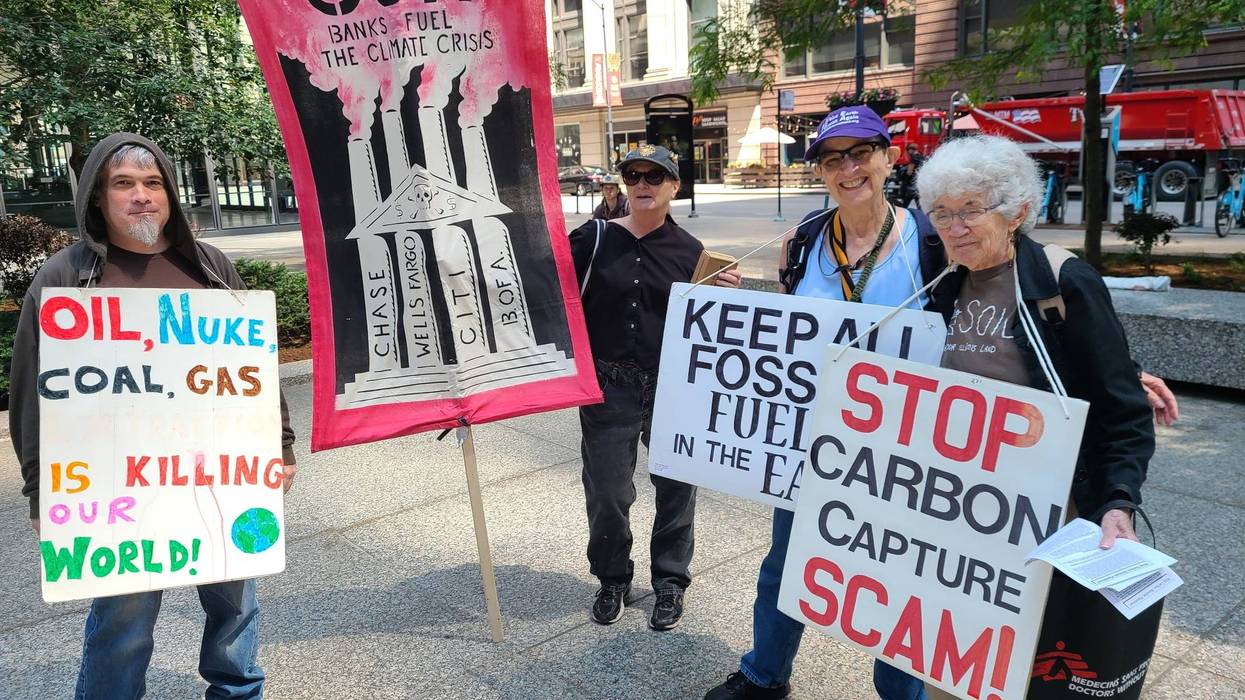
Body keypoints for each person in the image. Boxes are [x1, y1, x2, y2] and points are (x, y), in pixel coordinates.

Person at [702, 109, 1178, 700]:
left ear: (888, 158)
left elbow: (1071, 363)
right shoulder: (845, 249)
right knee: (809, 565)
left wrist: (1123, 418)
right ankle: (767, 672)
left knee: (943, 607)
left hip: (976, 482)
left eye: (970, 211)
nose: (955, 225)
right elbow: (799, 332)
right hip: (861, 453)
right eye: (833, 157)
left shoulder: (957, 256)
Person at [8, 133, 298, 699]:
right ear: (97, 198)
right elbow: (32, 390)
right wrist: (42, 489)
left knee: (236, 609)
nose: (141, 196)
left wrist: (280, 445)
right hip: (119, 489)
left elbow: (254, 366)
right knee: (125, 622)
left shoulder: (209, 266)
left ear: (169, 193)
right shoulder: (67, 277)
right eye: (123, 184)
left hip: (221, 477)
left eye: (153, 182)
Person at [918, 134, 1153, 548]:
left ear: (1016, 213)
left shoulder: (1063, 281)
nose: (955, 229)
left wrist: (1118, 501)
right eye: (942, 214)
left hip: (1048, 506)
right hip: (962, 498)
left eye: (971, 210)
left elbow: (1123, 410)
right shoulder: (945, 284)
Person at [569, 144, 740, 631]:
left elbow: (711, 330)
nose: (642, 183)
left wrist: (729, 299)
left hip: (672, 386)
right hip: (609, 386)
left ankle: (669, 580)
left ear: (674, 186)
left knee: (676, 487)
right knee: (607, 490)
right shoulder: (594, 238)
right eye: (633, 175)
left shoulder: (693, 254)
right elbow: (550, 291)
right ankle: (612, 576)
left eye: (654, 176)